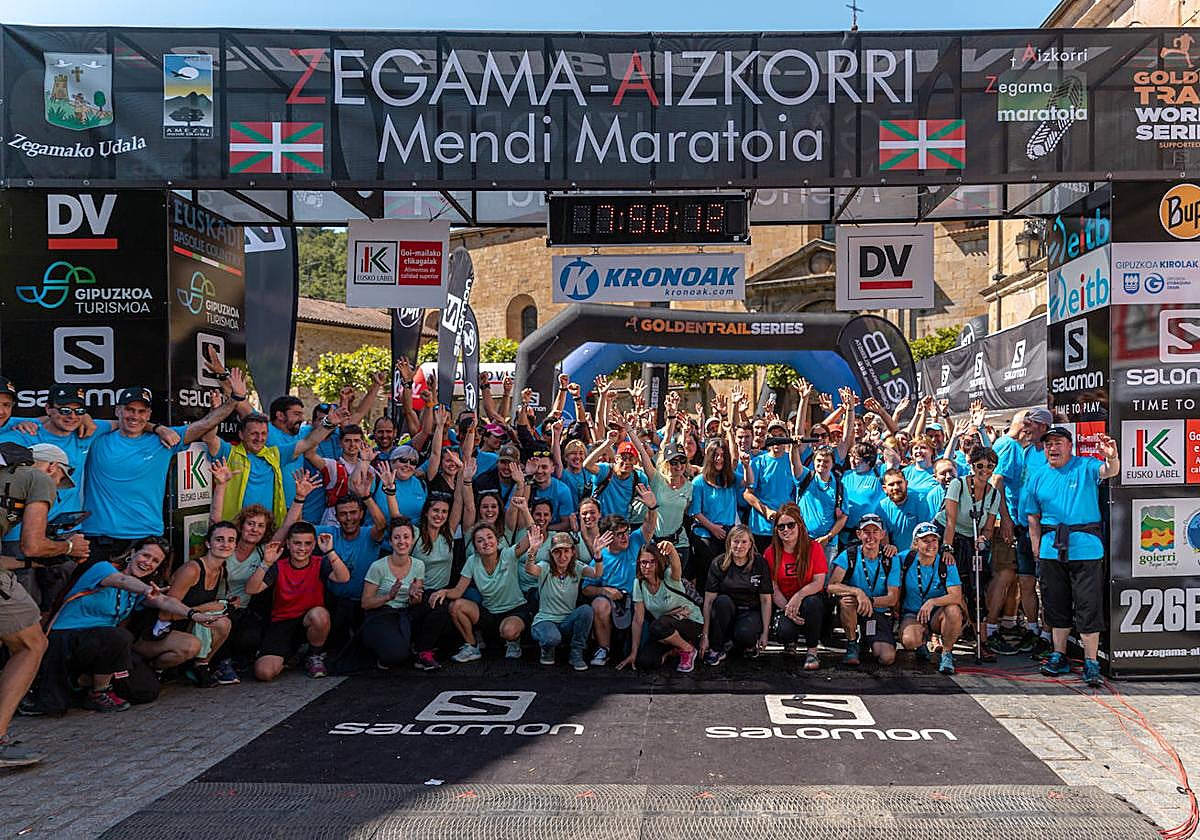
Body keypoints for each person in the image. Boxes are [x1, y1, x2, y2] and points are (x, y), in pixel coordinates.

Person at [31, 537, 219, 715]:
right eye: (145, 555)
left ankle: (84, 682)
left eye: (155, 561)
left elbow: (164, 601)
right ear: (133, 553)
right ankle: (99, 692)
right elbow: (121, 581)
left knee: (146, 691)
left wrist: (194, 615)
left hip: (100, 645)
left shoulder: (140, 590)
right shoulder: (104, 569)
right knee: (118, 636)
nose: (148, 562)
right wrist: (146, 590)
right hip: (65, 638)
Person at [0, 443, 90, 767]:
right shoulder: (38, 478)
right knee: (31, 643)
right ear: (53, 468)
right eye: (59, 481)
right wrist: (68, 546)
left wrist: (30, 567)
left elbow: (16, 556)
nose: (56, 490)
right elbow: (33, 543)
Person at [83, 380, 241, 563]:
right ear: (118, 410)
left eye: (142, 411)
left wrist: (236, 398)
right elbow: (62, 420)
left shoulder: (164, 442)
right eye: (129, 409)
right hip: (96, 539)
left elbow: (205, 425)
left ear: (149, 414)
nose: (135, 416)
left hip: (144, 539)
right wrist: (157, 427)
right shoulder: (95, 437)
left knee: (145, 592)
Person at [1025, 426, 1119, 687]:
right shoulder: (1037, 476)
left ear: (1070, 446)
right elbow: (1032, 515)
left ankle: (1091, 662)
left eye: (1058, 443)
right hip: (1050, 549)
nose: (1052, 448)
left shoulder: (1086, 466)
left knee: (1089, 606)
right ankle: (1059, 654)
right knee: (1056, 605)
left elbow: (1109, 471)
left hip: (1086, 549)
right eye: (1048, 445)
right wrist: (1035, 546)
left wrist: (1111, 457)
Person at [245, 522, 351, 681]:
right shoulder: (278, 566)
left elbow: (344, 578)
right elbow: (251, 589)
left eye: (308, 543)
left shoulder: (319, 562)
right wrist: (266, 563)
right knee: (264, 673)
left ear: (314, 544)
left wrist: (329, 551)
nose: (302, 548)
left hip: (308, 620)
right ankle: (292, 655)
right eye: (297, 543)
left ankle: (314, 655)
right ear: (288, 544)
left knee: (320, 615)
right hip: (282, 622)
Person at [207, 407, 345, 525]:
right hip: (233, 529)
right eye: (254, 433)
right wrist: (216, 410)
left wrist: (329, 423)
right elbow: (209, 437)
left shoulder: (275, 454)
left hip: (267, 530)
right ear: (241, 435)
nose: (259, 438)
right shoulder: (229, 452)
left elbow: (308, 442)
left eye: (263, 434)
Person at [933, 447, 1006, 655]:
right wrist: (947, 548)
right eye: (979, 466)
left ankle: (981, 640)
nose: (984, 470)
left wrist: (984, 538)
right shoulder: (958, 484)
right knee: (946, 582)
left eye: (989, 466)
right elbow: (950, 520)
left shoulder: (993, 495)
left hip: (972, 539)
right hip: (948, 533)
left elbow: (989, 527)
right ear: (972, 466)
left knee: (976, 586)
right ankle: (935, 634)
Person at [430, 522, 535, 663]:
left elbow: (531, 534)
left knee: (509, 631)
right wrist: (443, 591)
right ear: (476, 547)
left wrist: (523, 508)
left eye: (489, 537)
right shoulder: (472, 561)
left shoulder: (508, 554)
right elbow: (458, 591)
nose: (486, 542)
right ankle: (472, 646)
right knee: (456, 606)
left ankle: (513, 642)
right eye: (480, 540)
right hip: (490, 613)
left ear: (497, 541)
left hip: (514, 610)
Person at [149, 522, 237, 687]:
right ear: (208, 543)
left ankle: (200, 666)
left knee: (224, 623)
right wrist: (206, 608)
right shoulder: (192, 570)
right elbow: (165, 614)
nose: (225, 544)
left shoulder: (221, 570)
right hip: (164, 628)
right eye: (219, 539)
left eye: (231, 540)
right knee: (192, 644)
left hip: (188, 623)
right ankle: (156, 669)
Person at [582, 484, 658, 666]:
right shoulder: (600, 558)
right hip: (614, 602)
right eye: (619, 534)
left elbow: (649, 526)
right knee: (599, 604)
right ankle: (603, 648)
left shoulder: (635, 541)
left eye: (626, 532)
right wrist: (605, 591)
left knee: (640, 656)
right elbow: (586, 589)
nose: (625, 538)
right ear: (608, 537)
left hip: (639, 601)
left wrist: (652, 507)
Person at [827, 514, 901, 666]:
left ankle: (867, 639)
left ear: (882, 535)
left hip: (878, 611)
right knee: (847, 601)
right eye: (866, 532)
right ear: (859, 534)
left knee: (886, 658)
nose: (871, 536)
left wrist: (869, 601)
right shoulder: (849, 554)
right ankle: (852, 642)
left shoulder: (891, 558)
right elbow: (832, 585)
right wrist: (858, 592)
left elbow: (892, 598)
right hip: (856, 607)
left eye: (875, 532)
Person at [617, 540, 702, 673]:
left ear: (659, 562)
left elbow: (676, 567)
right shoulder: (639, 583)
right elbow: (638, 620)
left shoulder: (668, 576)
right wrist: (633, 653)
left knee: (657, 626)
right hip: (665, 629)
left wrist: (672, 550)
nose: (647, 566)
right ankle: (673, 649)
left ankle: (688, 649)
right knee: (645, 662)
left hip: (690, 622)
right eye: (643, 562)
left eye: (652, 562)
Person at [359, 516, 430, 669]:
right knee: (395, 657)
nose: (401, 542)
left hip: (406, 612)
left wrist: (413, 596)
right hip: (382, 613)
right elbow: (365, 603)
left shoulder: (419, 565)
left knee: (437, 606)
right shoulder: (378, 567)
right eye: (396, 537)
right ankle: (380, 646)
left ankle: (419, 648)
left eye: (406, 537)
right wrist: (388, 596)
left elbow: (416, 602)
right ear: (390, 541)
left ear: (412, 541)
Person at [526, 531, 604, 670]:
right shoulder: (545, 567)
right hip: (545, 620)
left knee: (586, 610)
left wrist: (598, 556)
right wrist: (532, 551)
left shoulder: (577, 567)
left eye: (566, 551)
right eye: (557, 552)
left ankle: (576, 653)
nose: (562, 556)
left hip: (567, 621)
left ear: (573, 552)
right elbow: (530, 570)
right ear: (552, 553)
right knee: (551, 638)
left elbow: (597, 574)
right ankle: (547, 649)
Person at [762, 502, 826, 670]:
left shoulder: (814, 548)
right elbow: (773, 588)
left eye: (790, 525)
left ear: (799, 525)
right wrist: (789, 609)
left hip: (809, 600)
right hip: (784, 603)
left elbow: (819, 582)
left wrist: (799, 596)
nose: (786, 529)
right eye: (781, 526)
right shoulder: (770, 552)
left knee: (813, 603)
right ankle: (790, 642)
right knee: (784, 632)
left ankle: (812, 652)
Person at [897, 522, 966, 675]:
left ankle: (947, 653)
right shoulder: (904, 558)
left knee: (953, 610)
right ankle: (921, 641)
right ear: (916, 542)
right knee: (909, 641)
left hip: (936, 613)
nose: (931, 545)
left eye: (934, 540)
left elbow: (956, 595)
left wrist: (932, 602)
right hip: (912, 612)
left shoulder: (946, 562)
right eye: (925, 540)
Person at [699, 524, 772, 665]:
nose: (739, 546)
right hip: (726, 611)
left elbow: (765, 600)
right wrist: (705, 635)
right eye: (736, 541)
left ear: (751, 543)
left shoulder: (759, 563)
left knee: (745, 636)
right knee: (722, 601)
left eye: (744, 542)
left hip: (750, 611)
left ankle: (741, 643)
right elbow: (708, 602)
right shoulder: (718, 563)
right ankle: (717, 647)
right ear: (729, 543)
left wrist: (765, 633)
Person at [688, 439, 748, 583]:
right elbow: (695, 512)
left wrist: (746, 466)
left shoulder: (730, 478)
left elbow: (748, 482)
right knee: (708, 574)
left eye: (722, 455)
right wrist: (712, 528)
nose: (719, 458)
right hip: (706, 533)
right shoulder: (698, 482)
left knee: (727, 575)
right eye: (715, 455)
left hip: (728, 533)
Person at [742, 421, 801, 554]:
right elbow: (747, 493)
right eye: (773, 436)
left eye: (781, 435)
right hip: (762, 527)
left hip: (787, 527)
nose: (777, 440)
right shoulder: (758, 462)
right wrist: (765, 511)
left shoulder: (792, 461)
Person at [795, 446, 846, 549]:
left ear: (833, 464)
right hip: (803, 539)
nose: (822, 464)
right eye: (819, 460)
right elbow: (794, 464)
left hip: (828, 544)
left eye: (826, 461)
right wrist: (794, 447)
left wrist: (828, 537)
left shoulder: (839, 486)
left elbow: (843, 517)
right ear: (813, 462)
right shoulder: (806, 477)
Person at [878, 468, 928, 551]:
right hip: (895, 557)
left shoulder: (920, 500)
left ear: (906, 483)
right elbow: (884, 540)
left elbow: (924, 533)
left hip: (918, 554)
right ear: (884, 488)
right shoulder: (881, 508)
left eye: (899, 482)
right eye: (891, 484)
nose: (896, 487)